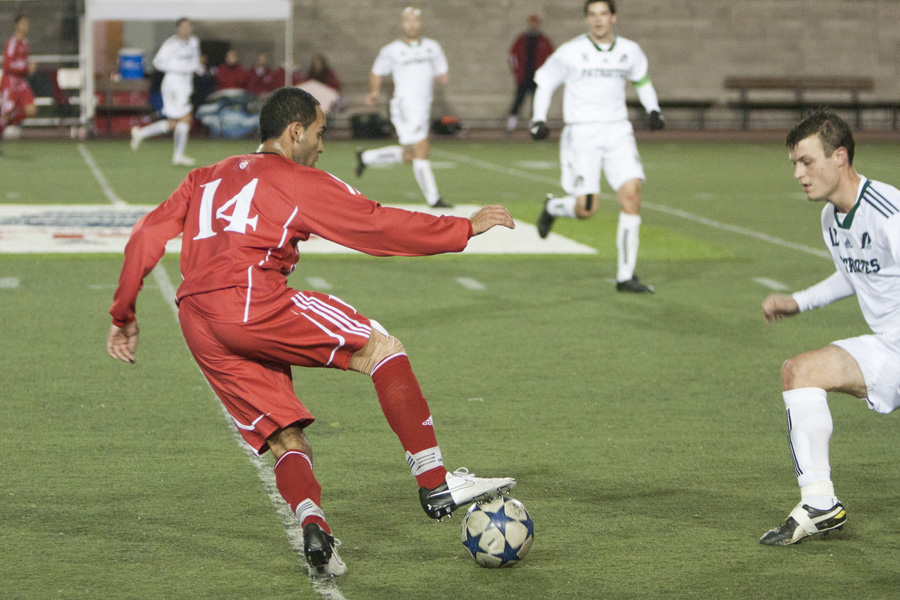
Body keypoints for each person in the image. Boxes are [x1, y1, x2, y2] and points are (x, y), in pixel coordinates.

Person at [106, 87, 517, 578]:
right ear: (295, 132)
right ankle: (435, 482)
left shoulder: (204, 177)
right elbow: (374, 224)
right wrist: (461, 229)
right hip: (253, 299)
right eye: (320, 133)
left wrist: (123, 313)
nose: (323, 146)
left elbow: (146, 234)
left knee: (284, 436)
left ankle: (314, 528)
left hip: (197, 320)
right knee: (382, 350)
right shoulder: (295, 179)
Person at [759, 110, 900, 546]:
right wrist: (799, 302)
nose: (799, 174)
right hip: (888, 348)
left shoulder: (888, 211)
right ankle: (819, 502)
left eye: (807, 161)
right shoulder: (831, 219)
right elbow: (853, 273)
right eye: (795, 165)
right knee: (800, 372)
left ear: (840, 156)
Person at [530, 0, 665, 294]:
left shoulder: (629, 50)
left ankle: (625, 276)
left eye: (603, 14)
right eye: (592, 15)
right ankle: (553, 207)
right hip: (583, 134)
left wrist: (653, 109)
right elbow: (545, 83)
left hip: (618, 131)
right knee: (587, 208)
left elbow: (642, 81)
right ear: (587, 19)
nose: (598, 20)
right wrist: (538, 119)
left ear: (613, 17)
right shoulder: (571, 51)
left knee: (632, 194)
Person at [355, 6, 452, 209]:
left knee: (411, 155)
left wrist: (443, 77)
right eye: (407, 20)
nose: (411, 24)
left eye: (415, 20)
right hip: (406, 106)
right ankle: (434, 199)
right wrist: (374, 92)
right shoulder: (391, 50)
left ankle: (367, 157)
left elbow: (442, 71)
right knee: (422, 150)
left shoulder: (432, 47)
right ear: (402, 23)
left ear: (420, 22)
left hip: (423, 106)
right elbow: (376, 71)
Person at [130, 18, 201, 167]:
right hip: (173, 83)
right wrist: (177, 68)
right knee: (185, 118)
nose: (186, 29)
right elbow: (157, 62)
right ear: (177, 28)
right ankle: (178, 156)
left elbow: (194, 61)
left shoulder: (194, 42)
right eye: (183, 27)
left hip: (186, 83)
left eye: (188, 27)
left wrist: (197, 68)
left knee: (175, 122)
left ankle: (141, 133)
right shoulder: (171, 44)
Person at [506, 14, 553, 133]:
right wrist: (517, 73)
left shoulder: (543, 40)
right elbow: (512, 56)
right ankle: (511, 125)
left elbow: (551, 58)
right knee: (518, 101)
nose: (533, 25)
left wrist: (545, 75)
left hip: (537, 78)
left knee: (536, 103)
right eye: (531, 23)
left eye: (535, 23)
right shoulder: (522, 40)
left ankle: (534, 127)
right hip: (524, 77)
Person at [0, 13, 37, 154]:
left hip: (21, 82)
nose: (25, 26)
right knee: (6, 112)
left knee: (31, 110)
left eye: (27, 24)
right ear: (16, 25)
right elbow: (7, 65)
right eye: (22, 23)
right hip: (10, 81)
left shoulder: (25, 43)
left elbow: (22, 64)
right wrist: (26, 68)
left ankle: (3, 125)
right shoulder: (12, 43)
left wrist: (28, 69)